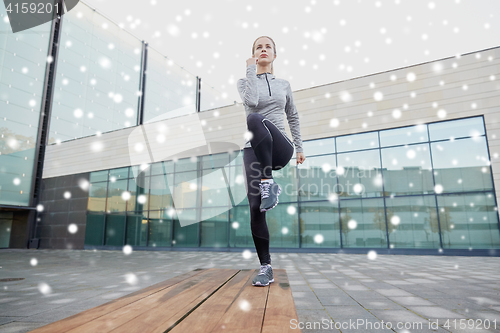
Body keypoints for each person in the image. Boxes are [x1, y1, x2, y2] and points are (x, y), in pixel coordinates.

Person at [237, 36, 306, 286]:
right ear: (254, 54)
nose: (263, 49)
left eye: (268, 47)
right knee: (256, 207)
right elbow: (252, 101)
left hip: (280, 147)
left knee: (255, 120)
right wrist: (250, 71)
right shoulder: (245, 82)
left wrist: (299, 147)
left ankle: (268, 182)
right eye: (258, 47)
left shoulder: (284, 85)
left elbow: (293, 116)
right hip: (253, 151)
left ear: (275, 55)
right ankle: (266, 267)